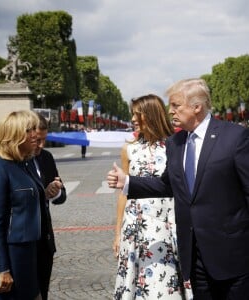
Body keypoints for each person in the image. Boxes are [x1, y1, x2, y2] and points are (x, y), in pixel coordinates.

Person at [107, 78, 249, 300]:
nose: (170, 111)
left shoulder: (234, 137)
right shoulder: (175, 143)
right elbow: (167, 184)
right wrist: (128, 182)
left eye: (176, 105)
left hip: (232, 255)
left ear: (197, 107)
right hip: (193, 255)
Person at [112, 94, 191, 299]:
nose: (133, 119)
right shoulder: (129, 148)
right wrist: (118, 232)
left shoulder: (175, 145)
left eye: (138, 115)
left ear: (151, 115)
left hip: (165, 224)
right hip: (135, 224)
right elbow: (125, 193)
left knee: (163, 285)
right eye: (132, 115)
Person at [0, 110, 44, 300]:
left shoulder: (25, 164)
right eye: (30, 130)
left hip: (31, 250)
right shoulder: (0, 168)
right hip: (14, 255)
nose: (36, 134)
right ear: (16, 135)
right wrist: (2, 267)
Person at [31, 112, 67, 300]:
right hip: (23, 241)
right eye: (37, 140)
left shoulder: (46, 157)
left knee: (42, 293)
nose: (41, 145)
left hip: (45, 240)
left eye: (44, 140)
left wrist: (56, 192)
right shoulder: (12, 162)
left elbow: (62, 195)